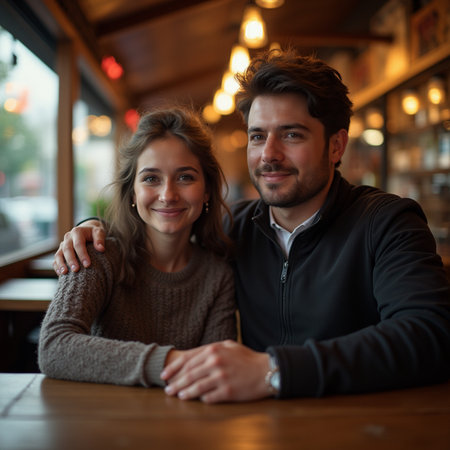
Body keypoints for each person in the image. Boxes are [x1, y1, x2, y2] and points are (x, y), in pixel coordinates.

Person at [53, 49, 450, 403]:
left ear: (336, 146)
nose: (269, 155)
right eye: (257, 136)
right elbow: (164, 216)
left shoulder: (386, 222)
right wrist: (93, 227)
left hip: (367, 424)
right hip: (260, 427)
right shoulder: (233, 228)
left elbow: (431, 334)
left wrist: (274, 371)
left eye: (292, 135)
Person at [39, 107, 237, 388]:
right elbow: (54, 347)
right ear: (132, 192)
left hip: (184, 424)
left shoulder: (218, 275)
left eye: (185, 177)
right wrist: (168, 364)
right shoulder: (97, 254)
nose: (168, 195)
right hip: (100, 421)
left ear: (206, 191)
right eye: (151, 178)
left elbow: (216, 373)